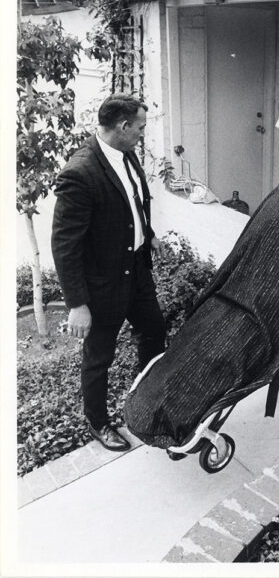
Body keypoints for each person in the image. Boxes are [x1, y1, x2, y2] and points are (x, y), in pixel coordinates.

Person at [51, 95, 166, 451]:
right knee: (99, 357)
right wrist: (77, 304)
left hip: (136, 271)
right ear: (123, 127)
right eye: (141, 128)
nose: (143, 135)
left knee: (154, 331)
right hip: (102, 285)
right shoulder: (81, 171)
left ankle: (143, 397)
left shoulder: (125, 154)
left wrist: (148, 234)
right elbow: (65, 244)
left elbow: (131, 202)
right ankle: (98, 423)